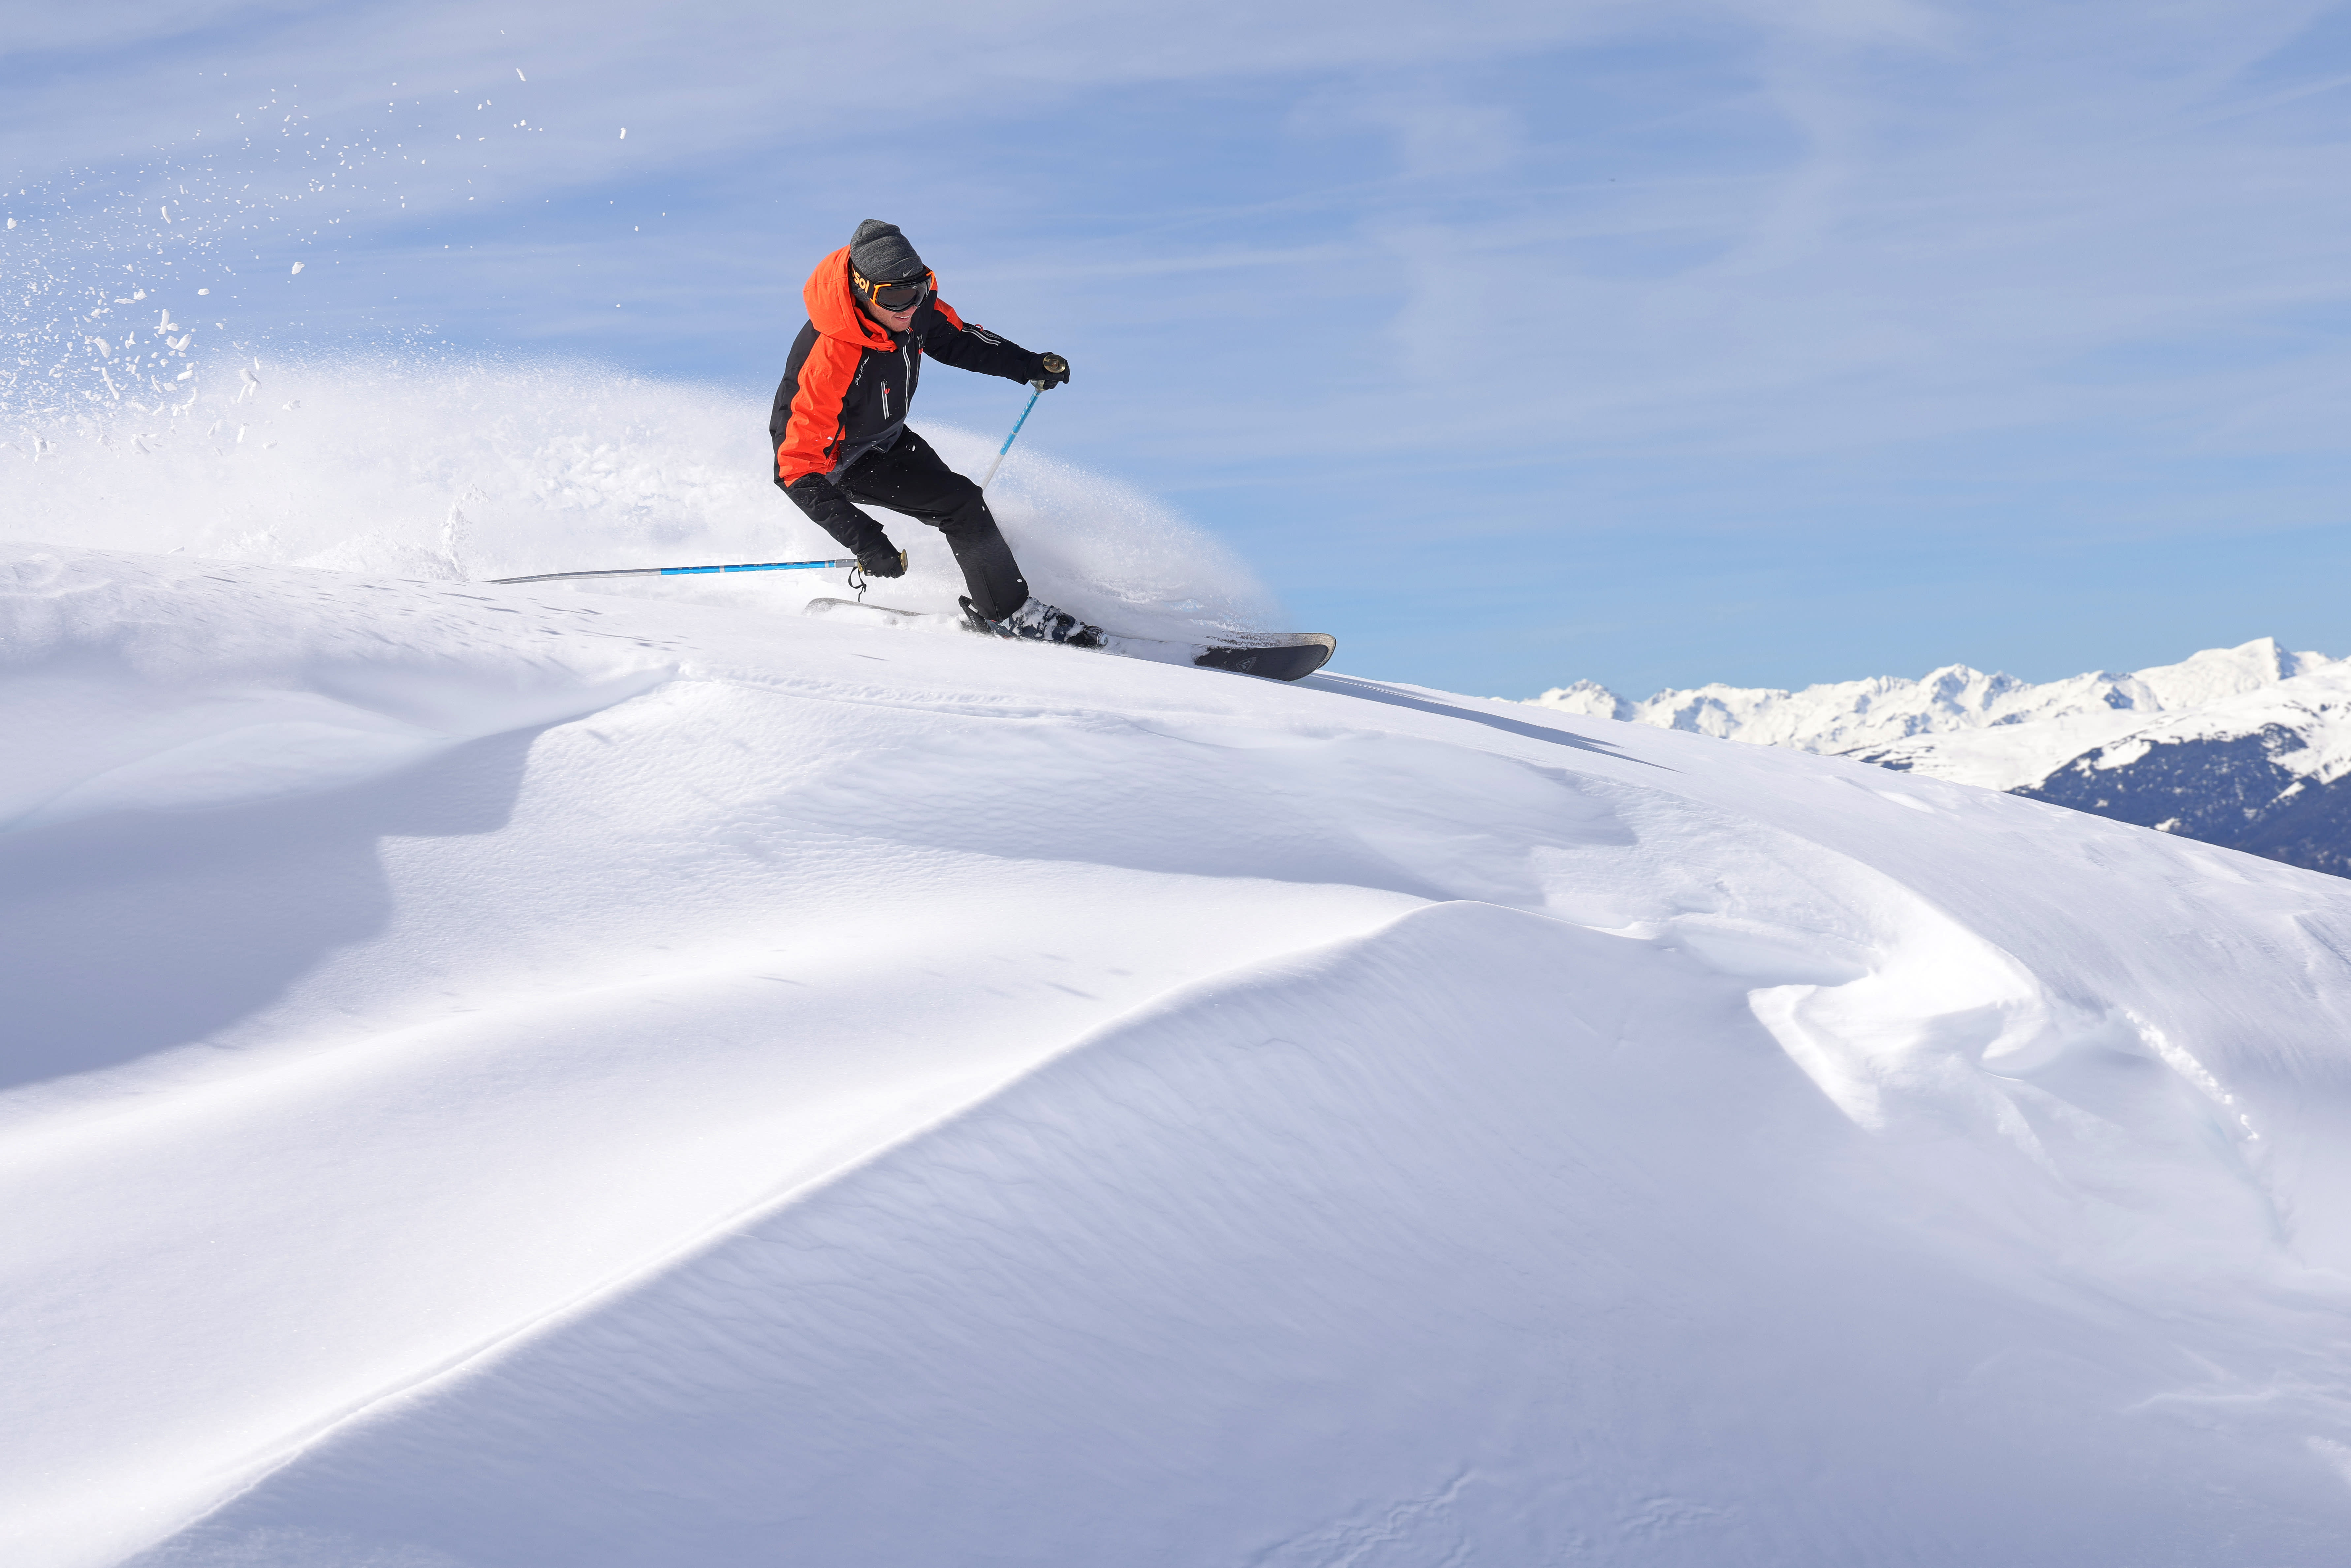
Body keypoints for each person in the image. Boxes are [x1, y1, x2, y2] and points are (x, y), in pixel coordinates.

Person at [770, 219, 1101, 646]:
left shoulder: (912, 306)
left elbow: (957, 339)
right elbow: (795, 468)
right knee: (961, 504)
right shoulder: (829, 356)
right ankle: (1009, 614)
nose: (909, 307)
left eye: (919, 290)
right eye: (895, 297)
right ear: (862, 289)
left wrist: (1027, 364)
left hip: (888, 437)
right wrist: (866, 539)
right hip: (841, 461)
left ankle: (994, 589)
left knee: (963, 504)